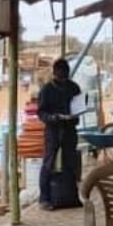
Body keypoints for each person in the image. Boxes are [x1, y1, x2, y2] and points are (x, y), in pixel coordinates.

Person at [35, 58, 82, 209]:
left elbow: (79, 107)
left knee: (71, 163)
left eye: (65, 76)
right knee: (49, 163)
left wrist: (74, 116)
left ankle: (72, 197)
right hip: (53, 130)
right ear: (55, 74)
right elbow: (41, 112)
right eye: (60, 76)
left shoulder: (73, 87)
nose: (63, 79)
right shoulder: (47, 90)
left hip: (69, 129)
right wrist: (53, 118)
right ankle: (44, 199)